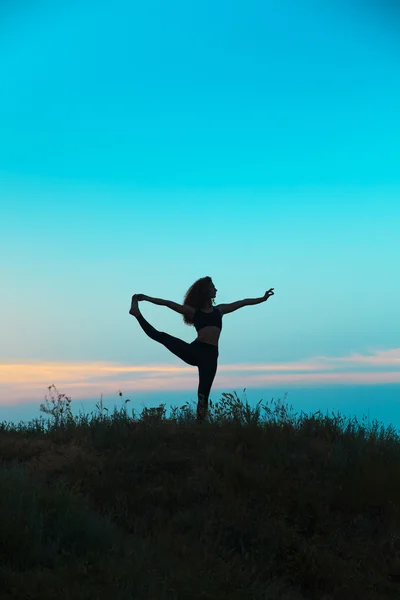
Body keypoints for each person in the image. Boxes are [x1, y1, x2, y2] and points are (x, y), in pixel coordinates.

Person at [129, 276, 274, 423]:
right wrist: (146, 298)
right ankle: (137, 314)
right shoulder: (194, 312)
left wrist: (262, 299)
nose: (216, 289)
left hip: (211, 357)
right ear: (205, 291)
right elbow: (168, 304)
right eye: (213, 287)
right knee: (162, 336)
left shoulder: (220, 310)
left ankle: (199, 428)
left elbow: (242, 303)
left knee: (203, 395)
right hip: (196, 351)